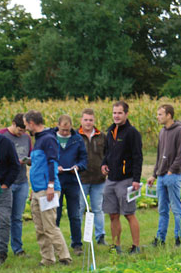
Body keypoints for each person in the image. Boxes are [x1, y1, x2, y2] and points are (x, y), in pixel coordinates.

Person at [23, 110, 71, 266]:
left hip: (47, 189)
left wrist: (50, 186)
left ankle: (64, 257)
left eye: (26, 124)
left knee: (50, 226)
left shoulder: (48, 139)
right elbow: (38, 165)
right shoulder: (39, 139)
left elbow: (52, 163)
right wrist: (33, 189)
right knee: (40, 228)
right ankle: (47, 259)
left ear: (31, 123)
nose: (25, 128)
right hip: (38, 190)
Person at [102, 100, 143, 254]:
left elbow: (138, 157)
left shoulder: (132, 133)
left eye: (120, 113)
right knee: (113, 214)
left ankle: (136, 246)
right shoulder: (110, 131)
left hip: (126, 180)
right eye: (114, 113)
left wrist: (136, 180)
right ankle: (116, 245)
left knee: (128, 214)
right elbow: (107, 153)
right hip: (111, 180)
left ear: (126, 114)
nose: (116, 116)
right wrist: (103, 164)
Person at [149, 104, 181, 247]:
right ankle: (160, 239)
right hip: (161, 177)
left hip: (172, 176)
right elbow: (159, 156)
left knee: (176, 209)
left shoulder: (179, 131)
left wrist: (172, 170)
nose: (158, 117)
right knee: (162, 210)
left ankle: (179, 239)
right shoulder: (162, 132)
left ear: (169, 115)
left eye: (160, 114)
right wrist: (154, 174)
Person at [0, 114, 32, 258]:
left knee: (17, 217)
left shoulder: (27, 138)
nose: (21, 134)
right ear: (13, 124)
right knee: (3, 218)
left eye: (24, 131)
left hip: (22, 181)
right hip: (6, 183)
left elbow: (32, 156)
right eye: (19, 130)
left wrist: (27, 160)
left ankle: (18, 248)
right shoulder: (0, 135)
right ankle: (0, 248)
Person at [54, 114, 88, 254]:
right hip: (57, 180)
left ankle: (77, 244)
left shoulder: (77, 139)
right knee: (56, 213)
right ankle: (55, 244)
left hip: (73, 181)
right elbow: (47, 157)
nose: (65, 133)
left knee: (74, 214)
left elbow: (84, 158)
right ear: (58, 126)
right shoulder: (51, 138)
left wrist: (78, 167)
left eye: (67, 130)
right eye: (62, 130)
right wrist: (55, 167)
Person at [78, 109, 107, 245]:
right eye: (86, 120)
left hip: (98, 179)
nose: (88, 122)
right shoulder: (76, 136)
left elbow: (108, 155)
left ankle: (100, 236)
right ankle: (77, 238)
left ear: (94, 121)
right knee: (79, 209)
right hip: (81, 179)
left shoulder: (102, 136)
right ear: (81, 120)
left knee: (98, 209)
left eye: (90, 120)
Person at [0, 131, 21, 264]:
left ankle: (1, 252)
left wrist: (6, 184)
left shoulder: (6, 143)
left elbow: (15, 165)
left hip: (3, 187)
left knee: (3, 220)